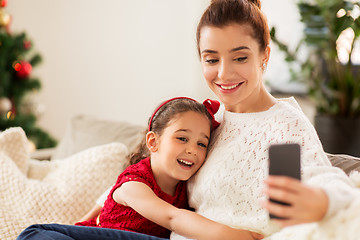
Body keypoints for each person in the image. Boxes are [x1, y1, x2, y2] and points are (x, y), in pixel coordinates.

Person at [17, 0, 359, 239]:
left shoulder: (283, 124)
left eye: (240, 57)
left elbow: (328, 181)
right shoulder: (209, 120)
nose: (224, 73)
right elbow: (159, 170)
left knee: (36, 234)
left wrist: (322, 201)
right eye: (211, 59)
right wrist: (101, 204)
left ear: (264, 56)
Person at [17, 97, 264, 240]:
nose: (193, 150)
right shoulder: (134, 183)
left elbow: (101, 203)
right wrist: (241, 236)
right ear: (153, 142)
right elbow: (172, 217)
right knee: (36, 234)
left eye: (202, 143)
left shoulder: (188, 188)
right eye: (182, 138)